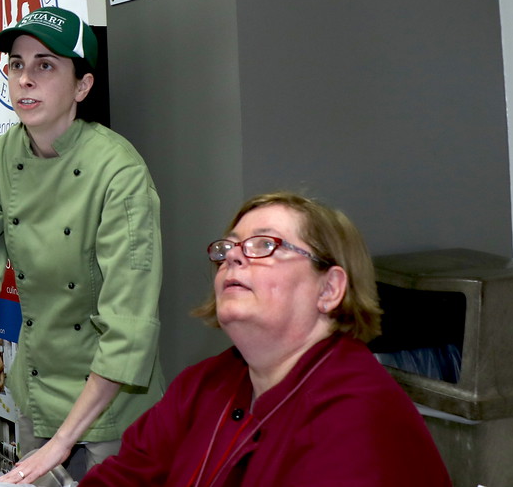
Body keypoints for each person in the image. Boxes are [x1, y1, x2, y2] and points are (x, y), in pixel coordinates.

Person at [0, 6, 163, 487]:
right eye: (16, 65)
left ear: (82, 86)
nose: (25, 79)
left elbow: (129, 329)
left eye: (45, 65)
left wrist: (63, 445)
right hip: (37, 394)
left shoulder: (118, 172)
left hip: (113, 406)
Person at [77, 193, 451, 486]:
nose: (233, 258)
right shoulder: (202, 384)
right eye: (228, 249)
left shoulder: (358, 413)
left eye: (264, 245)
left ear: (330, 288)